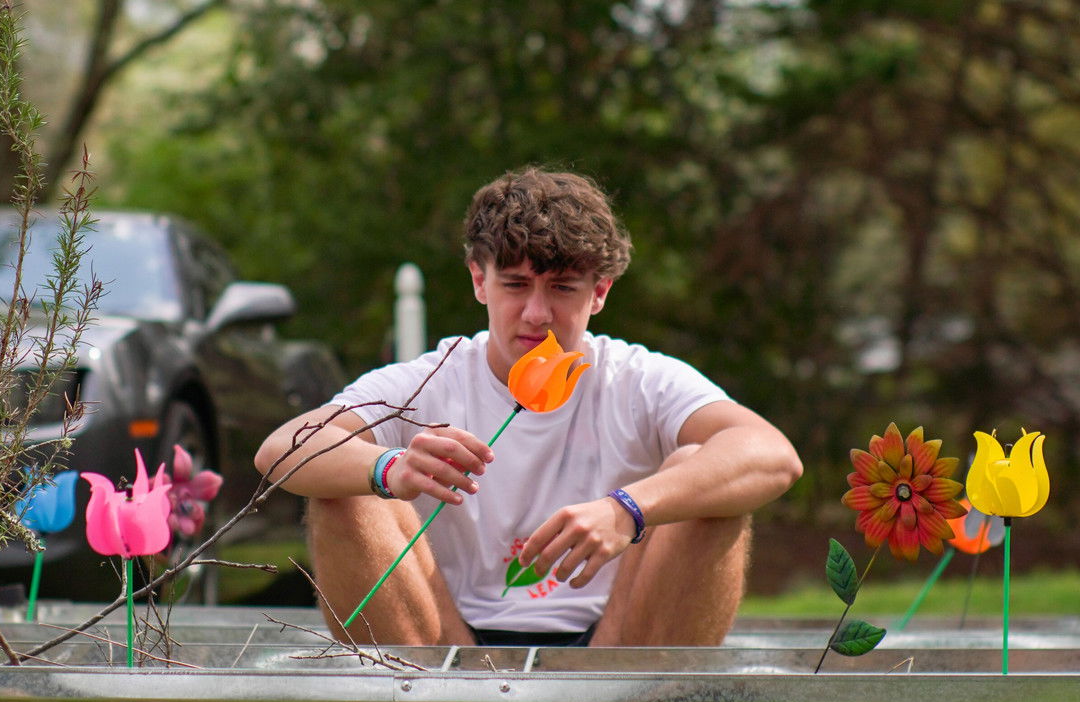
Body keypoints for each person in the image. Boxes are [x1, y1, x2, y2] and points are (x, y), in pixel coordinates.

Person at [254, 167, 802, 647]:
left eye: (562, 288)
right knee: (346, 483)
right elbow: (281, 449)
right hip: (443, 649)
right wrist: (389, 467)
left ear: (600, 292)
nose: (536, 314)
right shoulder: (428, 380)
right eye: (515, 284)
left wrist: (627, 509)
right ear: (479, 281)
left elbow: (773, 456)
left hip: (620, 649)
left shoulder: (638, 378)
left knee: (704, 470)